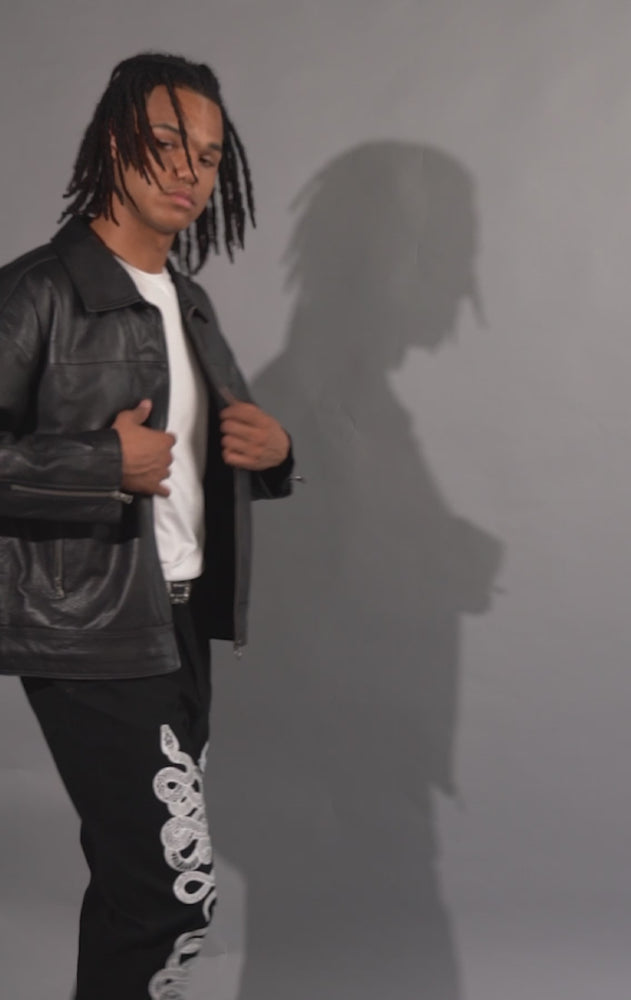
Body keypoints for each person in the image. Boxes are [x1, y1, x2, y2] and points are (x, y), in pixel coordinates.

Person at [0, 53, 294, 999]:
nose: (187, 171)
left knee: (138, 887)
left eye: (207, 157)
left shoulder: (187, 300)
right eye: (165, 142)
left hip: (179, 621)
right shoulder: (39, 291)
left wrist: (273, 454)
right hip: (87, 629)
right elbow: (121, 463)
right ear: (112, 142)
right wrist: (99, 463)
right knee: (172, 895)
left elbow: (194, 465)